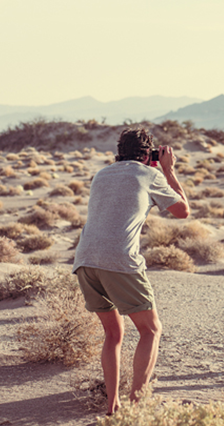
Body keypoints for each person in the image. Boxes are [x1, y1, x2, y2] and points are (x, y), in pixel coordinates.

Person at [72, 128, 190, 415]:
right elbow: (183, 211)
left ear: (119, 151)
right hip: (119, 260)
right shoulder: (151, 175)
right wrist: (168, 170)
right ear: (148, 153)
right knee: (151, 330)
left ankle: (113, 407)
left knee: (113, 334)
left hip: (85, 259)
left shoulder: (102, 175)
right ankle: (136, 409)